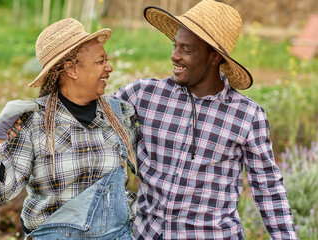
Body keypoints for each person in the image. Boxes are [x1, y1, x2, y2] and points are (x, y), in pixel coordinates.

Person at [114, 0, 298, 239]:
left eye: (186, 50)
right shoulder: (144, 95)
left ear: (214, 57)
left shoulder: (246, 116)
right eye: (175, 46)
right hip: (148, 234)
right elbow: (93, 115)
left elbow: (267, 188)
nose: (174, 56)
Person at [0, 18, 138, 240]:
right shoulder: (34, 122)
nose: (109, 68)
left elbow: (150, 171)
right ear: (71, 69)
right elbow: (3, 192)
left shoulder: (119, 114)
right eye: (101, 61)